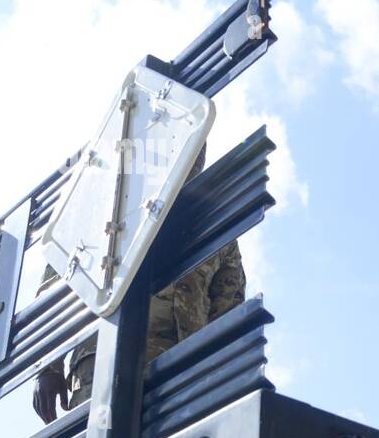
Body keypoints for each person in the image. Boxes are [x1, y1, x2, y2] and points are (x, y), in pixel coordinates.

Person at [33, 145, 246, 423]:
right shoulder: (104, 204)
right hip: (103, 370)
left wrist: (223, 387)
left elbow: (229, 314)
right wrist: (48, 367)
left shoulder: (215, 223)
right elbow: (56, 286)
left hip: (185, 377)